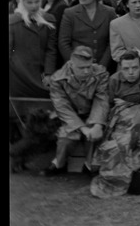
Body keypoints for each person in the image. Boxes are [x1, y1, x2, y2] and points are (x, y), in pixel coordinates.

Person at [89, 50, 140, 198]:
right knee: (112, 146)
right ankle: (107, 176)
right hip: (118, 124)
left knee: (126, 147)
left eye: (135, 68)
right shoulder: (114, 80)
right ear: (121, 68)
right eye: (126, 69)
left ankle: (117, 178)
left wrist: (127, 105)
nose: (131, 72)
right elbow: (106, 107)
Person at [44, 46, 110, 176]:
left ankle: (89, 165)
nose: (86, 71)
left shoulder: (101, 74)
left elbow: (101, 100)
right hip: (69, 116)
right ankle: (59, 163)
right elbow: (63, 108)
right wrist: (84, 129)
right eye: (81, 68)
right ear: (71, 64)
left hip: (92, 114)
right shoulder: (58, 79)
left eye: (88, 66)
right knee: (66, 139)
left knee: (94, 136)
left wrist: (97, 125)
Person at [58, 0, 116, 71]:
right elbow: (63, 42)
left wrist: (103, 65)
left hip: (103, 67)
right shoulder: (70, 13)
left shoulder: (109, 12)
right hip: (76, 68)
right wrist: (76, 64)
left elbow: (112, 42)